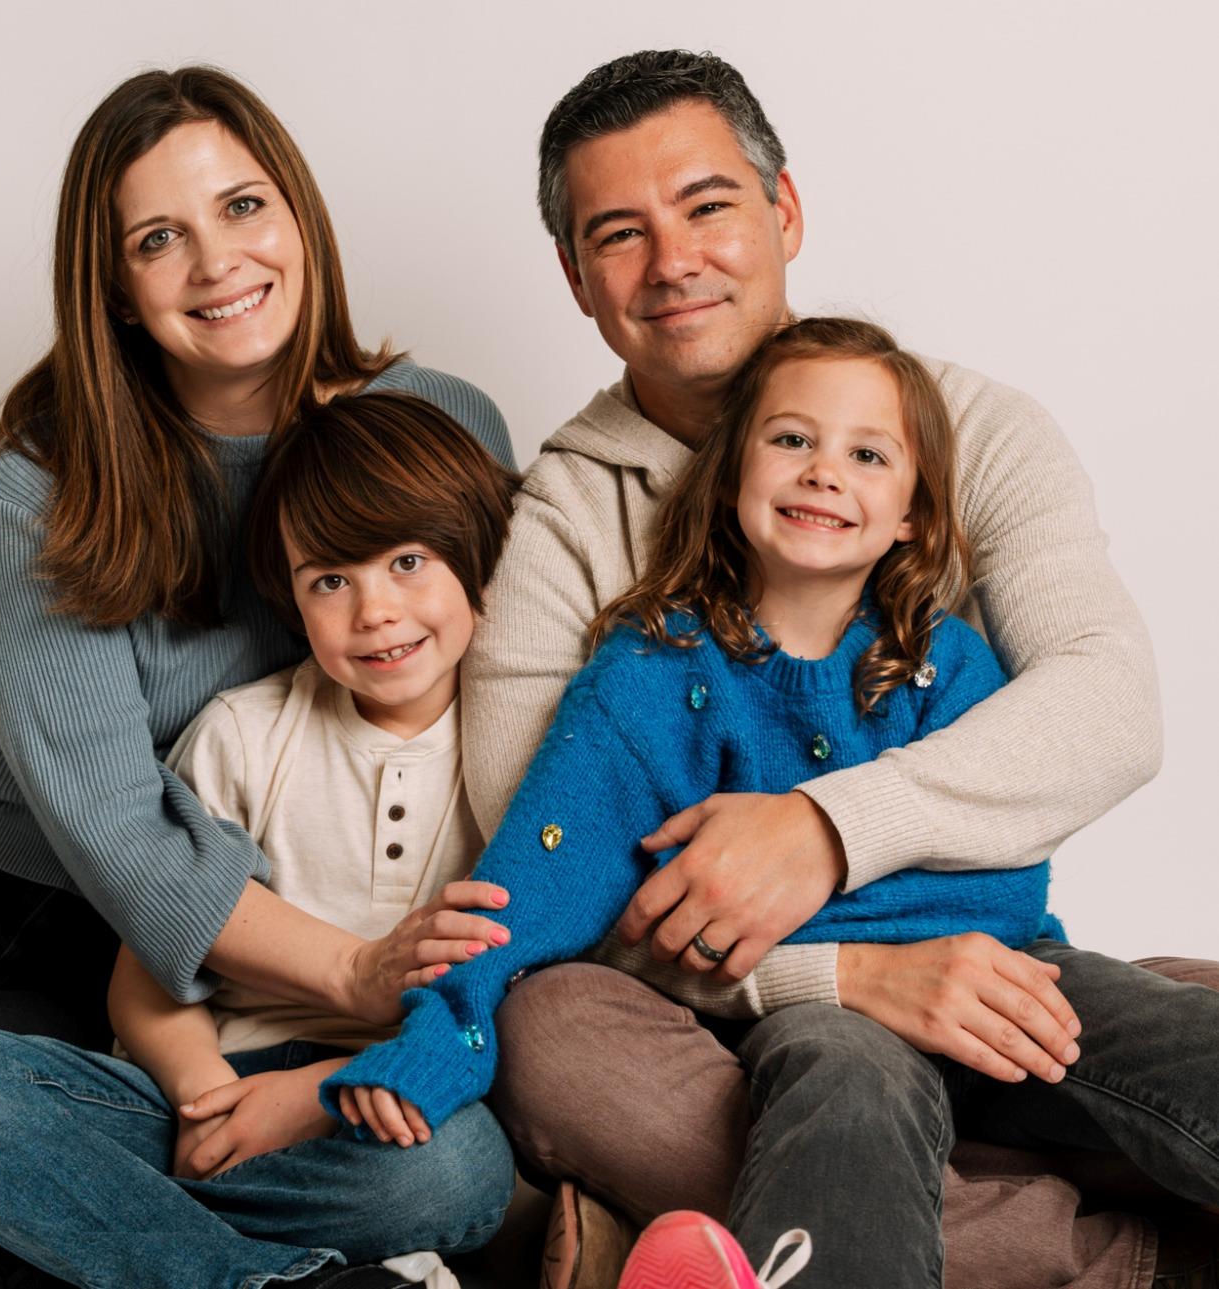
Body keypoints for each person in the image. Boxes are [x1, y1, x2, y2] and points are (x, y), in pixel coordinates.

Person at [457, 49, 1216, 1289]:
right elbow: (538, 866)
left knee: (1143, 1020)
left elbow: (1109, 704)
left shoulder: (970, 429)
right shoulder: (565, 512)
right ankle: (1118, 1251)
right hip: (738, 1020)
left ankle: (717, 1237)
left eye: (706, 206)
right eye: (619, 233)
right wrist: (844, 974)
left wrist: (826, 829)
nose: (674, 261)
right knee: (546, 1031)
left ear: (784, 211)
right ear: (576, 277)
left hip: (983, 960)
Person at [0, 65, 516, 1278]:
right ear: (113, 285)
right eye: (159, 238)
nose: (217, 263)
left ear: (300, 215)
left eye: (243, 207)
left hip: (135, 948)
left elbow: (509, 686)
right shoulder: (43, 479)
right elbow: (113, 823)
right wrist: (356, 970)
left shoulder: (436, 424)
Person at [324, 318, 1219, 1286]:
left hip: (997, 985)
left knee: (1177, 1034)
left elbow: (1003, 883)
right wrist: (435, 1037)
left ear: (912, 514)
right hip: (823, 1022)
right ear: (727, 476)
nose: (824, 471)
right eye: (792, 439)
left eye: (867, 454)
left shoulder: (943, 662)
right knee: (839, 1096)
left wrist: (807, 889)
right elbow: (544, 879)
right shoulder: (649, 675)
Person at [0, 393, 521, 1289]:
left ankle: (62, 1241)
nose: (374, 610)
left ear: (479, 561)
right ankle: (278, 1279)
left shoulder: (522, 747)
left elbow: (517, 999)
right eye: (330, 580)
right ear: (290, 598)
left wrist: (319, 1093)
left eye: (408, 562)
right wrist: (208, 1100)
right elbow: (142, 987)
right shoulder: (243, 734)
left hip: (377, 1103)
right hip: (204, 1093)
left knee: (459, 1165)